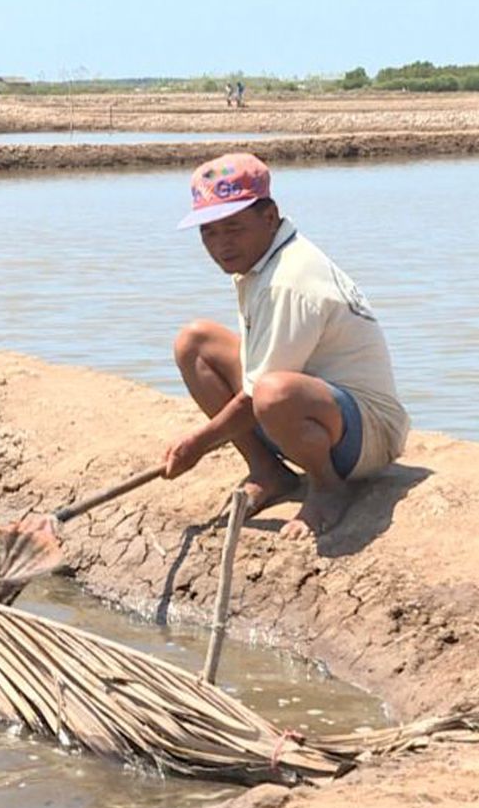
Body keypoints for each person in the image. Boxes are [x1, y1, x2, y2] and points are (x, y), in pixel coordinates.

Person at [166, 153, 409, 540]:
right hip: (316, 409)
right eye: (209, 233)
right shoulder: (260, 261)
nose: (221, 245)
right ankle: (268, 471)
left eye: (233, 228)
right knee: (195, 343)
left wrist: (199, 443)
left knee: (272, 393)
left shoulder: (289, 279)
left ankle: (328, 486)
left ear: (269, 217)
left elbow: (256, 396)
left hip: (368, 436)